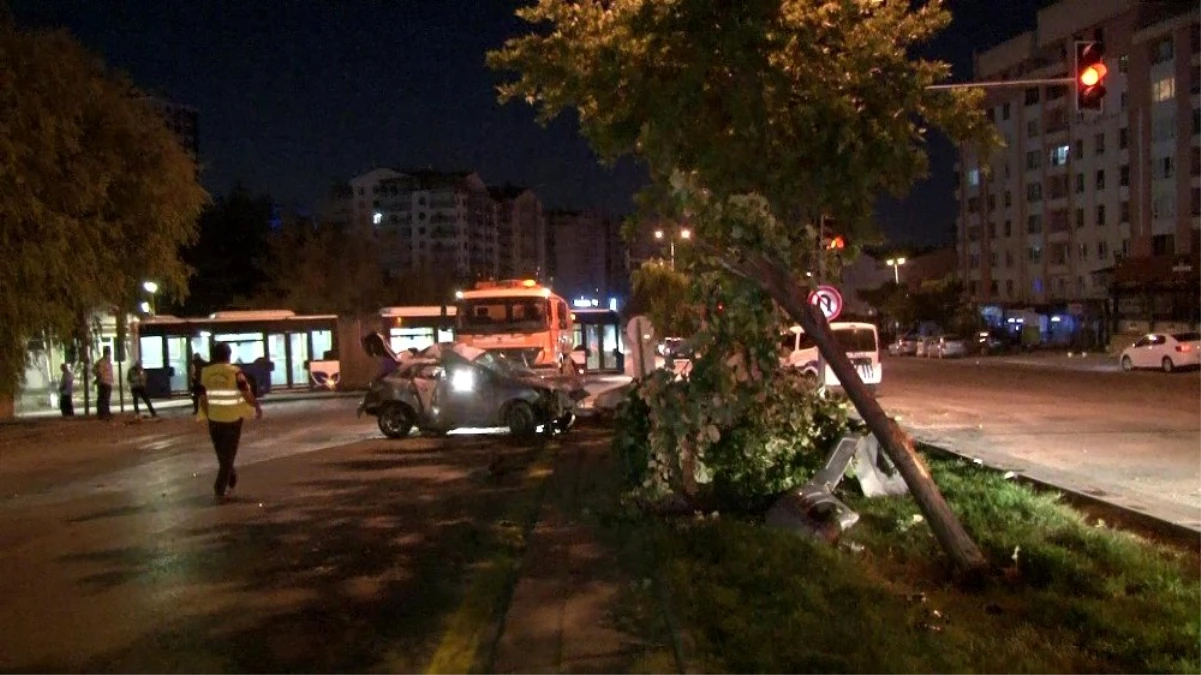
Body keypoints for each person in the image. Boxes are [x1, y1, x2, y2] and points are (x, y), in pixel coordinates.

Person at [198, 342, 262, 501]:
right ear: (229, 355)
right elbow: (246, 393)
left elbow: (203, 397)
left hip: (214, 419)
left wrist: (208, 414)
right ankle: (219, 488)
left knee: (222, 454)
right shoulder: (236, 373)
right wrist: (257, 406)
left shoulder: (205, 372)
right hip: (232, 420)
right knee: (228, 454)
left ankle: (231, 478)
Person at [93, 347, 114, 421]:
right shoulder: (102, 362)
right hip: (104, 383)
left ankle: (106, 413)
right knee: (103, 399)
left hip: (107, 382)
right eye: (108, 352)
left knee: (105, 399)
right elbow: (99, 372)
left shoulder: (107, 361)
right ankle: (102, 414)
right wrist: (98, 379)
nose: (109, 353)